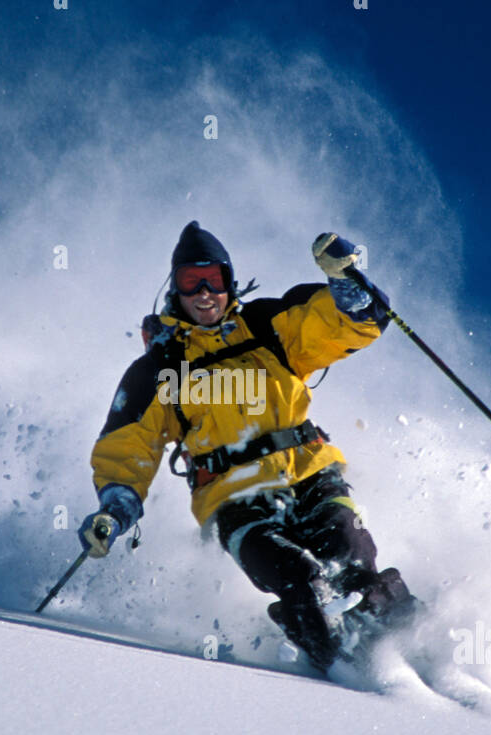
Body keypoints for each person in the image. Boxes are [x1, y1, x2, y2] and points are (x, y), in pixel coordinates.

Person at [78, 221, 420, 672]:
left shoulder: (268, 325)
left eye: (214, 280)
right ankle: (342, 675)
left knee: (350, 555)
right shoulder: (160, 368)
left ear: (229, 282)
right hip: (233, 500)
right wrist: (115, 508)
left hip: (309, 475)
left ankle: (417, 646)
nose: (204, 292)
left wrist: (345, 282)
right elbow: (129, 447)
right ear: (174, 290)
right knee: (298, 578)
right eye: (189, 281)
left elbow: (345, 325)